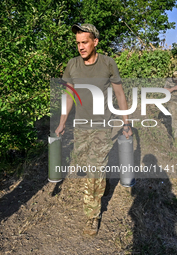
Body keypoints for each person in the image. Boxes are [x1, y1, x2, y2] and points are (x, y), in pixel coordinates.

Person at [55, 23, 133, 236]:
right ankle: (103, 181)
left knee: (93, 170)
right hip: (81, 126)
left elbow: (120, 94)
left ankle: (92, 217)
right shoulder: (72, 65)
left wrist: (126, 122)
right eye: (78, 43)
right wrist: (62, 122)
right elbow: (69, 96)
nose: (80, 47)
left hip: (102, 126)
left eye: (85, 42)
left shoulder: (108, 64)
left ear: (95, 42)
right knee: (84, 163)